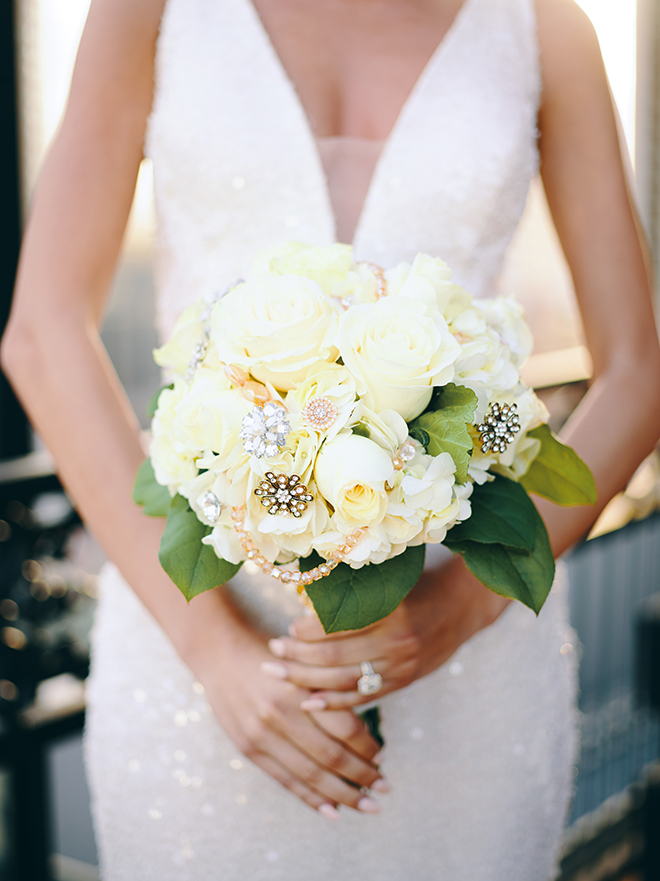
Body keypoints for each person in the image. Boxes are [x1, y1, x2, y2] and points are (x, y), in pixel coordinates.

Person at [3, 0, 660, 878]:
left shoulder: (544, 27)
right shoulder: (146, 10)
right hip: (197, 650)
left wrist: (457, 612)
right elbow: (42, 332)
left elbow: (639, 374)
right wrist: (214, 650)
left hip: (469, 671)